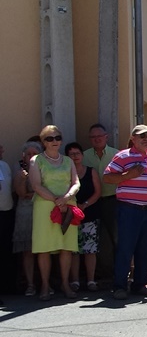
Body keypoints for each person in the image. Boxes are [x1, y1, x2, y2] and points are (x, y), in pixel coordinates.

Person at [103, 125, 147, 300]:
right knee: (125, 248)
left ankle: (140, 283)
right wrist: (127, 176)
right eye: (141, 136)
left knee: (145, 250)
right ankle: (119, 286)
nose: (146, 138)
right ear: (133, 138)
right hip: (129, 208)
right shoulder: (123, 156)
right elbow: (107, 177)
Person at [29, 126, 81, 300]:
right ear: (43, 142)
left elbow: (76, 182)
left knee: (66, 247)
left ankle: (65, 284)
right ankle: (45, 285)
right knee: (44, 248)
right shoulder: (36, 160)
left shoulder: (68, 161)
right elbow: (36, 185)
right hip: (45, 207)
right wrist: (55, 200)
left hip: (67, 206)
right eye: (49, 139)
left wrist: (65, 198)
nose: (54, 142)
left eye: (57, 138)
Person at [82, 123, 119, 272]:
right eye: (93, 137)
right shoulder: (83, 156)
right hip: (92, 203)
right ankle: (103, 272)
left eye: (100, 136)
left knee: (117, 237)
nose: (97, 139)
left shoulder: (117, 155)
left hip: (113, 201)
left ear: (106, 137)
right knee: (98, 239)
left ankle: (122, 271)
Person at [65, 142, 101, 292]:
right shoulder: (65, 173)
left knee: (90, 250)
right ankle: (74, 281)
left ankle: (91, 280)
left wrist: (85, 204)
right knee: (73, 250)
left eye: (77, 153)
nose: (75, 157)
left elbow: (98, 192)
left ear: (82, 155)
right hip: (71, 216)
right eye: (71, 154)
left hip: (90, 214)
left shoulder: (91, 171)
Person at [13, 142, 41, 296]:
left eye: (34, 153)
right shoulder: (20, 173)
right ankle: (30, 284)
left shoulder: (44, 170)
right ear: (23, 156)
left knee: (44, 250)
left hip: (42, 212)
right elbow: (21, 194)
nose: (31, 156)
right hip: (25, 213)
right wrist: (24, 180)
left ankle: (45, 283)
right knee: (28, 251)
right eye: (28, 154)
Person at [0, 143, 14, 295]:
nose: (2, 150)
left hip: (7, 213)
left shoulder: (4, 165)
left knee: (6, 252)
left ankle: (8, 287)